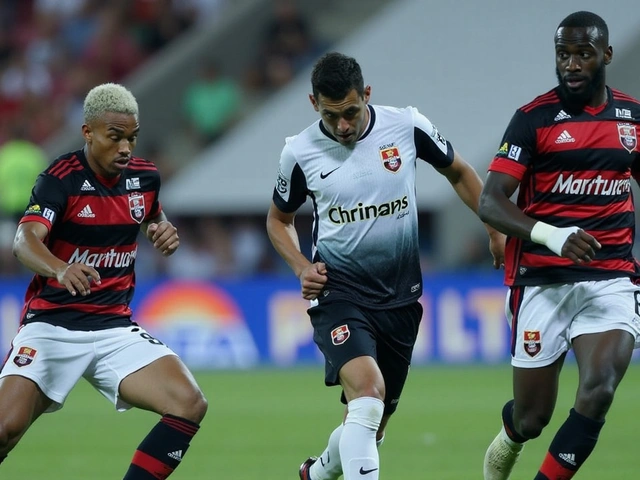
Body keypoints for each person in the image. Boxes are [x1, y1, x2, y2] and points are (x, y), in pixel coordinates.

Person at [266, 51, 506, 480]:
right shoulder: (299, 153)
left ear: (368, 95)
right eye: (331, 114)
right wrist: (302, 266)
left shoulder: (407, 125)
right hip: (337, 294)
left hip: (400, 298)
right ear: (313, 104)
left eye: (352, 112)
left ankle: (316, 474)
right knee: (368, 392)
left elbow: (460, 172)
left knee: (370, 424)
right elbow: (278, 220)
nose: (343, 126)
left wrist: (493, 228)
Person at [0, 83, 208, 478]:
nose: (126, 148)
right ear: (88, 133)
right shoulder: (59, 179)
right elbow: (23, 240)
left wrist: (162, 229)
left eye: (132, 137)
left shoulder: (145, 178)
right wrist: (60, 268)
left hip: (114, 327)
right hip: (52, 325)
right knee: (3, 430)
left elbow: (152, 216)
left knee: (189, 402)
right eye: (115, 137)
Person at [478, 11, 640, 480]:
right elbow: (491, 202)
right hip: (543, 281)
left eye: (583, 54)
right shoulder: (534, 119)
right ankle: (508, 440)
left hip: (611, 278)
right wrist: (553, 235)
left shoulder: (631, 119)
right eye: (563, 54)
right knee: (532, 419)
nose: (571, 64)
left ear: (605, 55)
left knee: (599, 387)